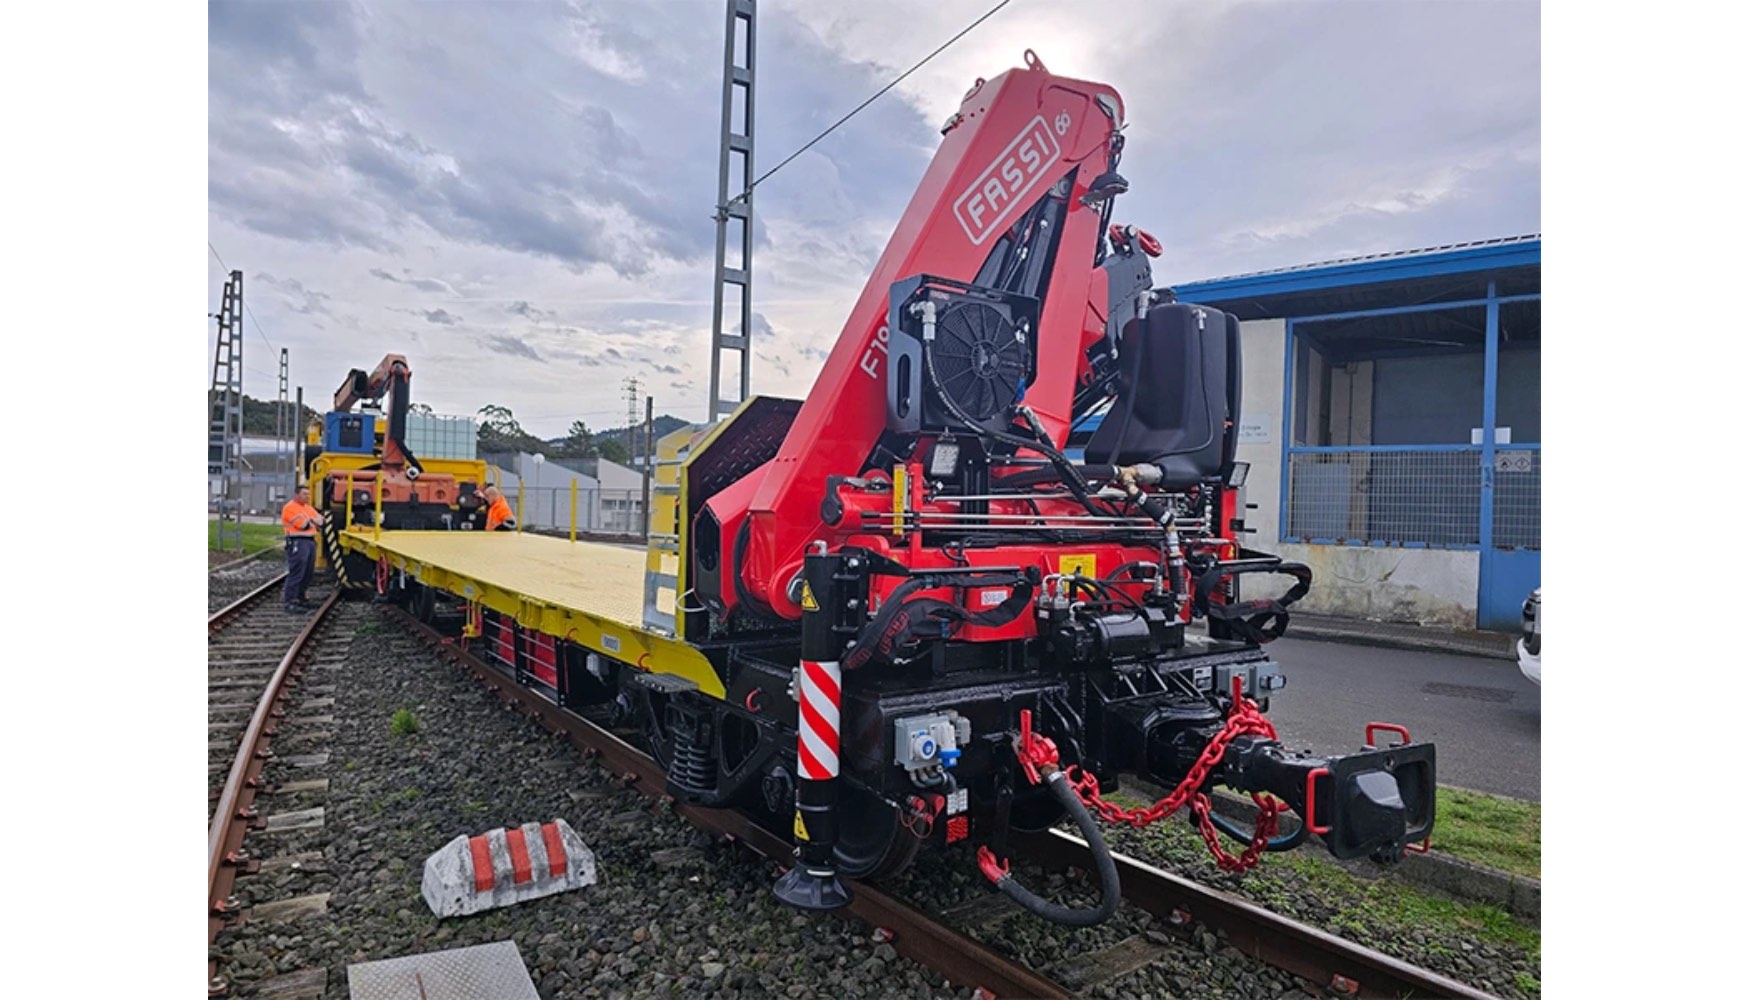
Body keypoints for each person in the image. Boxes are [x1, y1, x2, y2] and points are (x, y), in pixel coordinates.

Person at [281, 484, 324, 614]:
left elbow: (322, 521)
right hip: (297, 541)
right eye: (305, 494)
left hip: (310, 541)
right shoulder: (290, 508)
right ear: (296, 494)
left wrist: (311, 520)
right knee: (297, 572)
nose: (308, 496)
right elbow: (303, 525)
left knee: (308, 572)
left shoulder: (307, 508)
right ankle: (290, 601)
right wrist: (313, 520)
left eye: (308, 494)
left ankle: (301, 597)